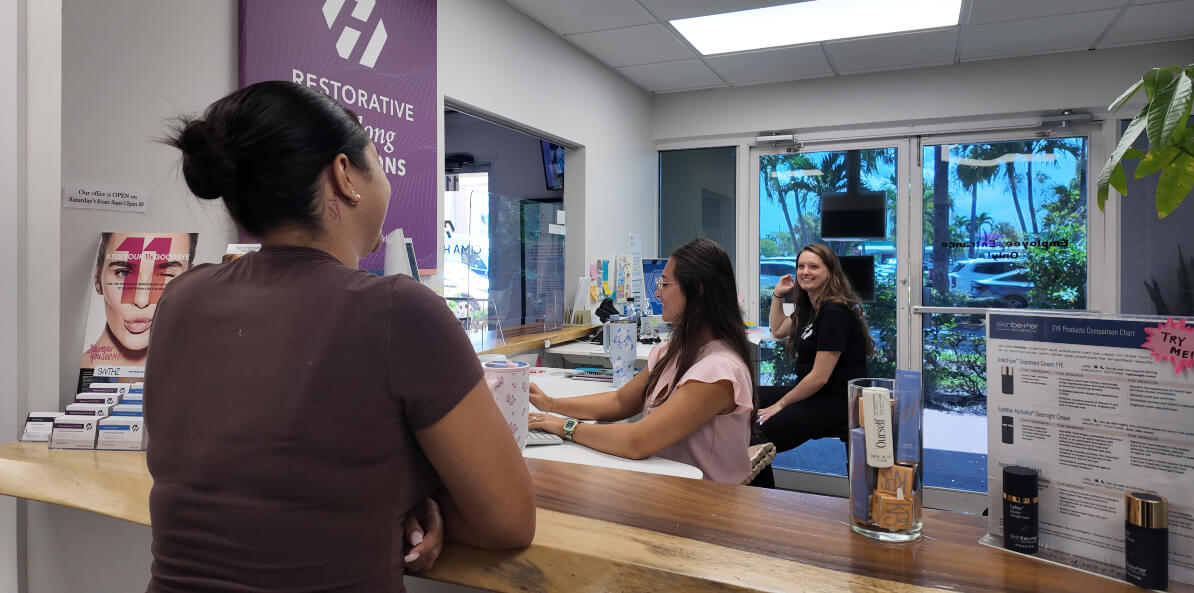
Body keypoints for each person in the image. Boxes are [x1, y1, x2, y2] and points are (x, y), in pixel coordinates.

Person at [145, 81, 534, 593]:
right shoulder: (398, 311)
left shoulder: (181, 298)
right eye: (378, 161)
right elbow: (507, 522)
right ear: (345, 176)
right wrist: (419, 502)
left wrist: (399, 494)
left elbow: (259, 470)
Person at [528, 238, 756, 484]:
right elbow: (620, 400)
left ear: (698, 291)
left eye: (665, 284)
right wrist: (550, 404)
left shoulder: (719, 371)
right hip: (669, 486)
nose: (657, 292)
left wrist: (566, 427)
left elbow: (638, 441)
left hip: (705, 503)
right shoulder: (673, 352)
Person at [756, 243, 873, 456]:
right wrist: (777, 294)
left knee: (758, 438)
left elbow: (819, 377)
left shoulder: (834, 312)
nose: (805, 272)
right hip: (814, 395)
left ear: (830, 272)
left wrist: (780, 405)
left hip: (837, 401)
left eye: (813, 267)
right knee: (747, 397)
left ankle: (749, 479)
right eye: (801, 266)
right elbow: (779, 329)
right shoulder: (812, 309)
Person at [80, 232, 197, 372]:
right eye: (124, 273)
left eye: (165, 275)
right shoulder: (61, 375)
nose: (141, 300)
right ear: (98, 278)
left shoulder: (204, 376)